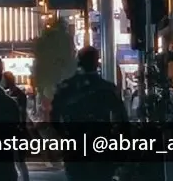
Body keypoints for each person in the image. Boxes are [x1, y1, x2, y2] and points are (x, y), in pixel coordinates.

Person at [51, 47, 127, 181]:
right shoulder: (107, 88)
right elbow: (121, 120)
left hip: (75, 145)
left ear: (78, 62)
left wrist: (65, 136)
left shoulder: (66, 87)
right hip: (101, 145)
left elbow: (54, 118)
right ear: (96, 62)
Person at [2, 72, 30, 181]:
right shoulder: (9, 93)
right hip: (12, 131)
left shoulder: (17, 94)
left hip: (17, 132)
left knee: (19, 161)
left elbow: (22, 114)